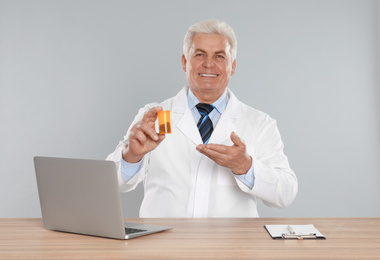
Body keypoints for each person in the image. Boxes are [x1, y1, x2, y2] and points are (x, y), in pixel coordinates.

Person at [107, 19, 298, 217]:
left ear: (232, 66)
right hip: (164, 243)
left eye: (219, 56)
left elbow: (286, 194)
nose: (208, 64)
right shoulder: (155, 116)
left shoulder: (259, 123)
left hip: (232, 245)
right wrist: (132, 156)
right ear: (184, 62)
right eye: (199, 55)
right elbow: (112, 183)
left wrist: (245, 167)